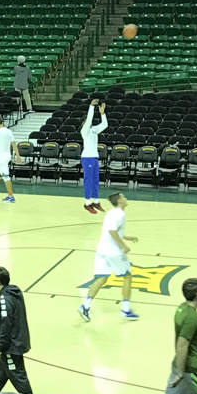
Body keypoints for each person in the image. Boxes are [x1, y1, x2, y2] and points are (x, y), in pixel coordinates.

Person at [80, 192, 136, 320]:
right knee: (127, 276)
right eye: (123, 197)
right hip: (114, 251)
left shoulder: (111, 213)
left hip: (101, 250)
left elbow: (110, 230)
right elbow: (112, 231)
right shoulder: (120, 214)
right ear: (120, 201)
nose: (126, 198)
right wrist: (123, 245)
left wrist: (125, 237)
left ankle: (85, 306)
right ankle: (126, 310)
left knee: (101, 278)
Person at [0, 266, 31, 394]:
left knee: (18, 377)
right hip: (16, 342)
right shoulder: (14, 293)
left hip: (11, 346)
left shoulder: (4, 299)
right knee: (1, 373)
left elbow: (6, 324)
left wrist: (0, 345)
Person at [79, 99, 108, 213]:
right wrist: (91, 107)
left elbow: (104, 125)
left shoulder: (93, 130)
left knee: (95, 180)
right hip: (87, 158)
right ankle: (87, 203)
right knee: (88, 180)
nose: (89, 122)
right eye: (87, 121)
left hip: (94, 157)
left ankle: (96, 201)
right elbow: (89, 119)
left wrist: (102, 114)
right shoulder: (84, 131)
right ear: (83, 123)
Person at [0, 115, 18, 202]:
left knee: (5, 176)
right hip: (6, 155)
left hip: (2, 157)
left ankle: (11, 196)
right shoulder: (9, 131)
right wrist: (18, 156)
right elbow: (14, 144)